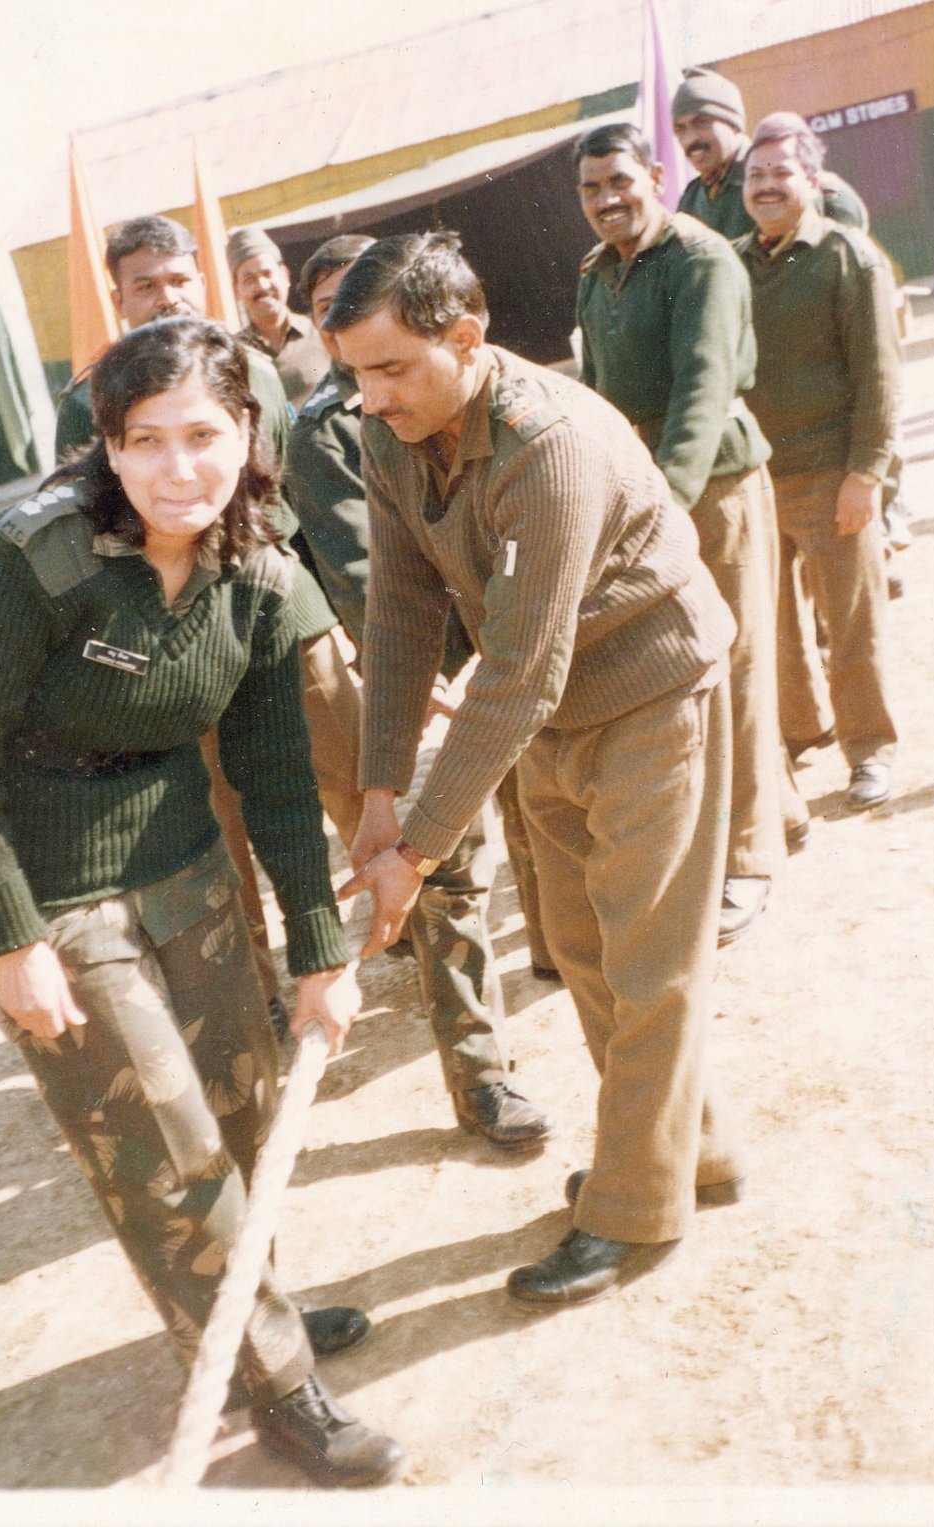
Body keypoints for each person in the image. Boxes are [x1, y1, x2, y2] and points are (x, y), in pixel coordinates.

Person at [0, 318, 403, 1488]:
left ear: (247, 430)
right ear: (110, 448)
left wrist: (319, 952)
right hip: (50, 889)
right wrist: (14, 940)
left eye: (203, 435)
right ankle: (279, 1383)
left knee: (242, 1114)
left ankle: (245, 1314)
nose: (180, 468)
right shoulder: (28, 560)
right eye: (146, 441)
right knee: (167, 1155)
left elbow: (276, 776)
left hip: (183, 858)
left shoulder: (260, 573)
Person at [324, 233, 744, 1307]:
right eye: (356, 373)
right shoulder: (390, 431)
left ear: (466, 338)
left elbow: (516, 674)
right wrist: (378, 797)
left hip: (648, 692)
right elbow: (401, 609)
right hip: (554, 714)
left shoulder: (546, 444)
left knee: (647, 958)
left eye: (391, 368)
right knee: (582, 944)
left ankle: (634, 1208)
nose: (371, 396)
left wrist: (416, 850)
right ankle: (687, 1154)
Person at [55, 214, 365, 1035]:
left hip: (284, 617)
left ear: (204, 280)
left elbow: (291, 498)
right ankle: (258, 996)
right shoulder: (85, 401)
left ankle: (407, 938)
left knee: (360, 780)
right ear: (118, 299)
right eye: (145, 285)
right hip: (176, 644)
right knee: (217, 831)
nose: (166, 297)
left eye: (178, 279)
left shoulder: (253, 370)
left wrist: (339, 617)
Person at [285, 234, 555, 1150]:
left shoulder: (492, 405)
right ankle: (482, 1076)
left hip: (496, 645)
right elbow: (375, 579)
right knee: (442, 864)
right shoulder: (328, 426)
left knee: (526, 807)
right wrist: (425, 694)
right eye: (334, 316)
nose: (367, 371)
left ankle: (554, 948)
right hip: (406, 668)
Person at [574, 122, 807, 945]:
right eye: (591, 188)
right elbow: (598, 397)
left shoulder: (701, 260)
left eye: (620, 181)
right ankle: (780, 808)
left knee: (733, 662)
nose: (607, 200)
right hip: (651, 489)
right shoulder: (596, 274)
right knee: (693, 663)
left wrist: (665, 503)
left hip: (713, 486)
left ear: (655, 174)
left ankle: (748, 858)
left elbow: (702, 391)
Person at [736, 114, 900, 810]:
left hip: (834, 476)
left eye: (782, 172)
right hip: (756, 481)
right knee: (772, 626)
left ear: (812, 179)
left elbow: (880, 374)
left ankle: (872, 751)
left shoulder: (849, 257)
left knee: (852, 624)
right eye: (756, 175)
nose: (767, 186)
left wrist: (866, 474)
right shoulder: (731, 263)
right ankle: (803, 730)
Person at [671, 66, 868, 238]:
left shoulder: (772, 177)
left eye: (702, 123)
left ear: (733, 124)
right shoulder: (691, 199)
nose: (690, 139)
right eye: (680, 128)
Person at [227, 227, 331, 411]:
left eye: (267, 274)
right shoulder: (234, 354)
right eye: (249, 279)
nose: (262, 286)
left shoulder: (322, 330)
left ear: (285, 275)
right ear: (236, 290)